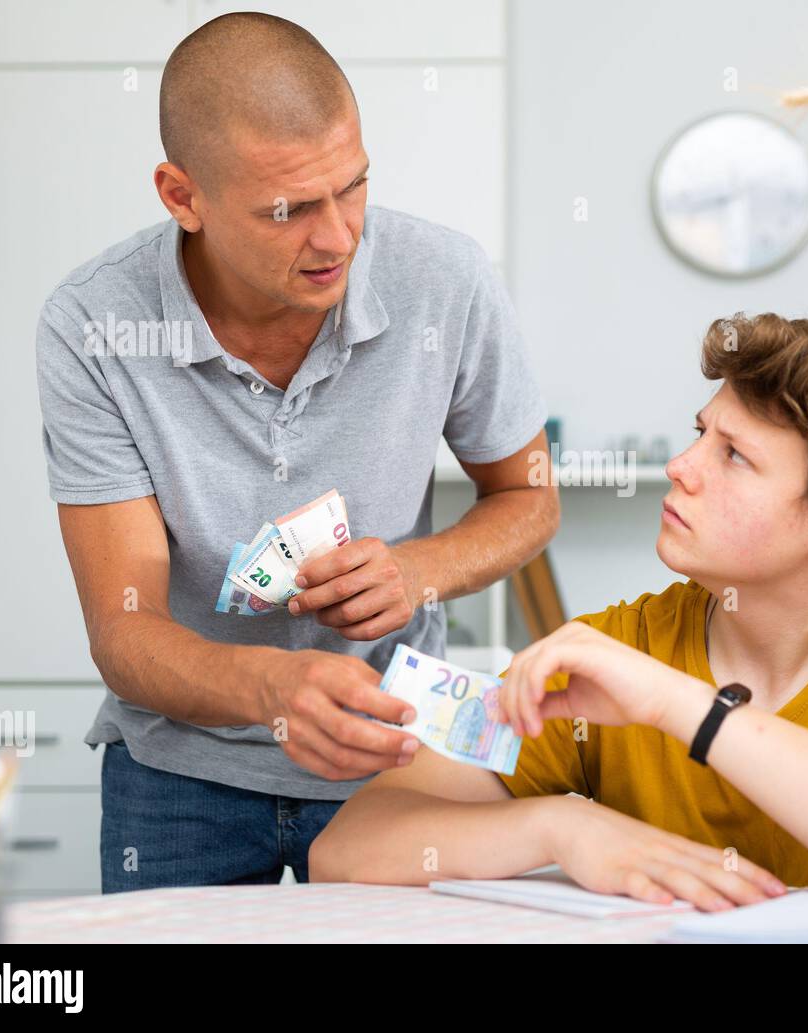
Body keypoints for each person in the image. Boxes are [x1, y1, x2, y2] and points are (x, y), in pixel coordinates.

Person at [34, 13, 558, 891]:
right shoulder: (92, 324)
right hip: (177, 776)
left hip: (396, 756)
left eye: (353, 188)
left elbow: (530, 498)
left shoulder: (446, 279)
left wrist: (417, 570)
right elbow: (125, 627)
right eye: (289, 210)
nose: (340, 237)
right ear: (182, 195)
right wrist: (276, 690)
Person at [310, 313, 808, 909]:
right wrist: (560, 826)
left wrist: (681, 706)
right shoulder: (616, 646)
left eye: (735, 456)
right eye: (699, 433)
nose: (681, 466)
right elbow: (347, 847)